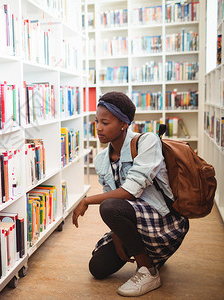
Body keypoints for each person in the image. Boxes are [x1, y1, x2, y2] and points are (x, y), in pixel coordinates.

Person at [72, 92, 189, 297]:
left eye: (105, 122)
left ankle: (148, 270)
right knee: (97, 268)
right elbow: (113, 197)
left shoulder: (148, 141)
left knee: (108, 206)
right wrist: (117, 236)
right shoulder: (101, 159)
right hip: (132, 220)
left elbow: (129, 192)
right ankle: (151, 255)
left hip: (162, 220)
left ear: (124, 123)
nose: (98, 128)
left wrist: (87, 200)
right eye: (97, 121)